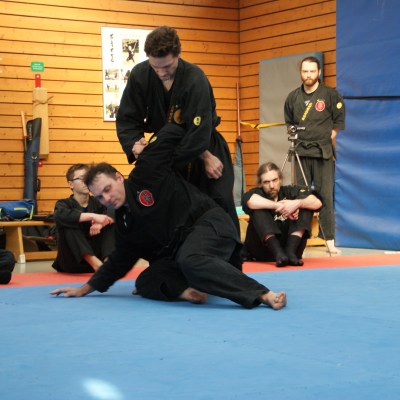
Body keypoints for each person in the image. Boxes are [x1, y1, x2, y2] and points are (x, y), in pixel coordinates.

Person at [50, 124, 286, 310]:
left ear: (119, 178)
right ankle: (187, 292)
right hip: (184, 251)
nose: (106, 198)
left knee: (190, 259)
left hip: (211, 225)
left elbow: (174, 130)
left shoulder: (147, 171)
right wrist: (85, 289)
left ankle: (262, 294)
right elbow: (118, 262)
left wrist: (202, 154)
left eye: (108, 189)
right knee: (145, 280)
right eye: (100, 197)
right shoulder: (124, 223)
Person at [116, 26, 240, 244]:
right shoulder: (140, 75)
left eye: (167, 66)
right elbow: (127, 118)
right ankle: (177, 256)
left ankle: (232, 253)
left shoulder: (195, 78)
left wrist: (200, 156)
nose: (161, 72)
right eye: (156, 67)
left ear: (178, 55)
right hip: (165, 147)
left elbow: (199, 131)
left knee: (219, 199)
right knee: (173, 207)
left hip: (203, 144)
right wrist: (135, 145)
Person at [284, 56, 345, 254]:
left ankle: (329, 239)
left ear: (318, 72)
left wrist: (329, 137)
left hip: (323, 152)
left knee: (325, 195)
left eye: (312, 71)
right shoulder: (293, 97)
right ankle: (297, 239)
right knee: (301, 195)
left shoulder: (330, 95)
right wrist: (293, 133)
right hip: (301, 152)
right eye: (305, 71)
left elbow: (339, 121)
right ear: (300, 73)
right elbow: (289, 124)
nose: (308, 75)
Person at [242, 162, 322, 267]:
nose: (271, 186)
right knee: (258, 208)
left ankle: (290, 251)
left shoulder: (290, 191)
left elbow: (318, 202)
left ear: (280, 179)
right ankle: (278, 252)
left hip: (293, 252)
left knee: (305, 204)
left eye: (274, 180)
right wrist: (279, 206)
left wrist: (297, 204)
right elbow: (250, 201)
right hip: (263, 252)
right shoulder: (256, 193)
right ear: (260, 184)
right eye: (266, 182)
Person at [51, 164, 115, 273]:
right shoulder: (63, 204)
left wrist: (101, 223)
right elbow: (60, 216)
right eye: (81, 178)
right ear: (71, 184)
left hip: (99, 256)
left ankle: (108, 262)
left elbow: (115, 211)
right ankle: (94, 262)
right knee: (68, 223)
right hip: (73, 262)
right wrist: (93, 216)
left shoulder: (99, 201)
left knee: (111, 222)